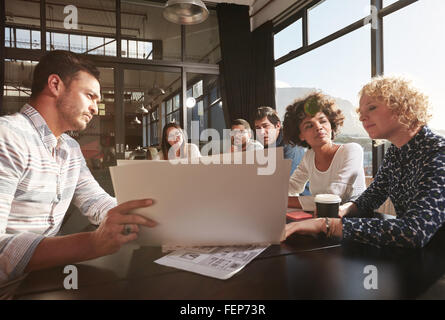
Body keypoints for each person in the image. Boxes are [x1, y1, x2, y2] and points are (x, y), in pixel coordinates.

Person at [0, 51, 157, 292]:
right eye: (90, 96)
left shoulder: (70, 148)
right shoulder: (8, 136)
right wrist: (92, 243)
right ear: (55, 85)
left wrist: (146, 217)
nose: (95, 108)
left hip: (42, 281)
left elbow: (95, 201)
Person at [284, 76, 445, 249]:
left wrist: (327, 225)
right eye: (361, 112)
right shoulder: (395, 152)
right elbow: (373, 196)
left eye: (372, 108)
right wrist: (344, 210)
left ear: (402, 106)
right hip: (417, 258)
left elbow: (414, 232)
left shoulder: (439, 152)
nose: (362, 118)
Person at [283, 92, 366, 211]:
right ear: (300, 135)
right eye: (309, 126)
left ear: (331, 124)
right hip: (322, 219)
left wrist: (285, 201)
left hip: (353, 222)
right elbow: (293, 186)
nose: (318, 127)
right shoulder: (309, 156)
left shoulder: (352, 150)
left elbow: (334, 198)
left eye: (322, 121)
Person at [254, 107, 310, 195]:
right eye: (258, 128)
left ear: (278, 126)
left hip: (300, 199)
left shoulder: (290, 144)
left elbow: (285, 182)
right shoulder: (266, 144)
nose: (261, 132)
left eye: (265, 126)